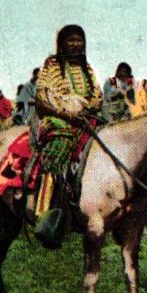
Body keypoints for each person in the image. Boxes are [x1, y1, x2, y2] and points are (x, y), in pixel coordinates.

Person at [33, 24, 103, 247]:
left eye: (79, 40)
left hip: (84, 118)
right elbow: (41, 99)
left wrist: (87, 110)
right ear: (62, 43)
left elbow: (96, 96)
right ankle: (44, 213)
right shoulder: (52, 65)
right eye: (70, 40)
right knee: (59, 148)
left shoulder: (88, 68)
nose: (75, 44)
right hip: (58, 119)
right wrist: (64, 113)